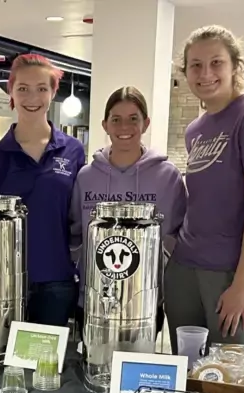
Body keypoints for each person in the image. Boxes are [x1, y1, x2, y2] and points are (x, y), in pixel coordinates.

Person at [165, 25, 244, 352]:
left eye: (216, 62)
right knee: (187, 368)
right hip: (187, 266)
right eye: (195, 65)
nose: (205, 73)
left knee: (232, 374)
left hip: (236, 271)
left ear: (236, 66)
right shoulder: (196, 129)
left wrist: (242, 284)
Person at [0, 54, 87, 327]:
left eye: (41, 89)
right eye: (22, 88)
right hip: (3, 282)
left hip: (56, 279)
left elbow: (79, 216)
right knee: (3, 366)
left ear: (53, 93)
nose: (32, 97)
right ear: (10, 91)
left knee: (47, 365)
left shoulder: (73, 151)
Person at [69, 86, 186, 338]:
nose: (125, 127)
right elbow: (76, 233)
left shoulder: (168, 177)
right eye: (116, 119)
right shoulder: (86, 177)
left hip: (144, 300)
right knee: (92, 371)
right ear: (105, 124)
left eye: (134, 119)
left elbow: (177, 235)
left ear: (145, 124)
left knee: (136, 373)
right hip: (92, 300)